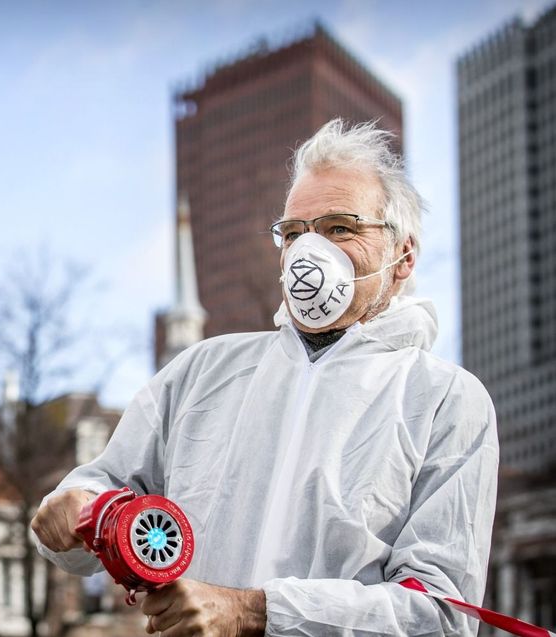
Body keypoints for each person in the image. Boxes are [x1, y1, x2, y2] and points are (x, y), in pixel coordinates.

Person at [31, 119, 498, 637]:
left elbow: (441, 614)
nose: (309, 254)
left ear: (403, 257)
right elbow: (104, 491)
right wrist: (75, 511)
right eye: (294, 233)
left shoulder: (446, 402)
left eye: (339, 228)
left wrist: (256, 612)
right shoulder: (203, 372)